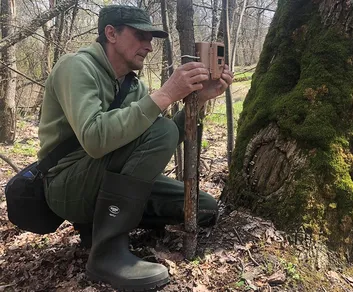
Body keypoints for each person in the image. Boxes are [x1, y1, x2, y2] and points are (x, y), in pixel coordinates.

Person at [37, 4, 233, 292]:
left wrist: (200, 99)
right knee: (159, 129)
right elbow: (94, 139)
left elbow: (164, 136)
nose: (149, 46)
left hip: (101, 179)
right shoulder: (76, 67)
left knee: (203, 208)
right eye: (141, 36)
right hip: (65, 185)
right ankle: (106, 253)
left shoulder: (132, 85)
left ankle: (100, 226)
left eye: (151, 39)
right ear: (111, 33)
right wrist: (166, 94)